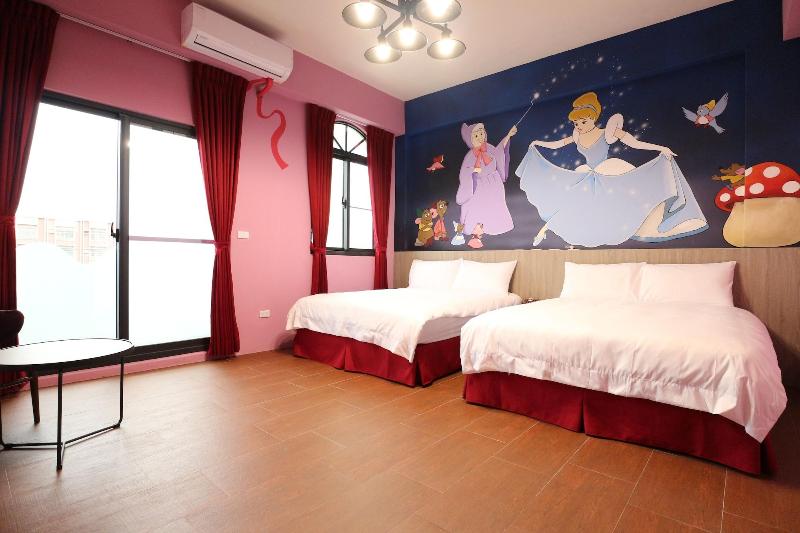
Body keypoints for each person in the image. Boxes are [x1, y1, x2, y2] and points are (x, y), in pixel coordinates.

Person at [516, 92, 707, 247]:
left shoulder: (607, 133)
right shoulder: (577, 136)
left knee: (620, 200)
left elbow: (634, 143)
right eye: (576, 123)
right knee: (572, 205)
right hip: (587, 173)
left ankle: (633, 225)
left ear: (593, 117)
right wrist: (538, 143)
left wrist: (661, 148)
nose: (579, 126)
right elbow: (558, 144)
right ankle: (549, 229)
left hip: (607, 171)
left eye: (583, 122)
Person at [456, 122, 516, 239]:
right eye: (476, 135)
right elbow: (464, 173)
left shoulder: (489, 148)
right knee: (478, 206)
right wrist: (473, 170)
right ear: (470, 139)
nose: (480, 137)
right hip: (479, 185)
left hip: (494, 183)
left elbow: (499, 152)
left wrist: (508, 135)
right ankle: (477, 231)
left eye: (481, 133)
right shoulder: (470, 155)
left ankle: (497, 226)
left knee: (495, 204)